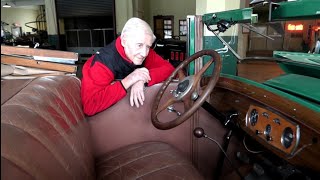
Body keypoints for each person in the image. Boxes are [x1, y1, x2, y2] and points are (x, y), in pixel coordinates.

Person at [81, 17, 175, 116]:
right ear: (124, 42)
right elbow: (89, 106)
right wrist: (129, 80)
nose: (144, 53)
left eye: (148, 46)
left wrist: (142, 79)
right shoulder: (102, 62)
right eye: (139, 45)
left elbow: (169, 69)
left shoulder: (143, 52)